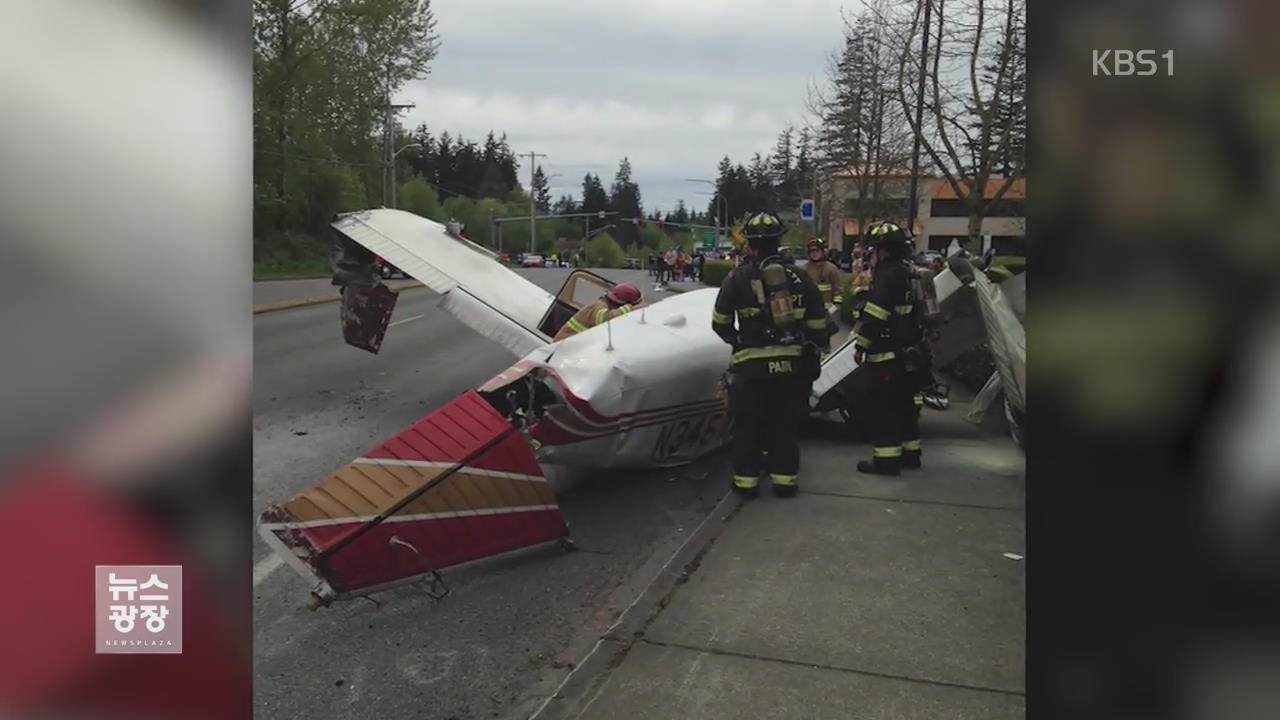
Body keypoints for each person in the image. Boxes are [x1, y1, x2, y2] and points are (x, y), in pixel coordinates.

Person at [712, 212, 828, 498]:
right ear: (778, 242)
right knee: (784, 425)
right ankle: (785, 483)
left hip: (751, 371)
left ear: (749, 245)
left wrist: (738, 343)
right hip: (792, 369)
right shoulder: (800, 277)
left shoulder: (737, 277)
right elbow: (818, 324)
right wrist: (810, 346)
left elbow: (720, 321)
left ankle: (746, 484)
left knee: (748, 426)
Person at [851, 221, 926, 475]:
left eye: (873, 251)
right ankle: (911, 453)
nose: (871, 256)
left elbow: (876, 314)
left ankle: (886, 461)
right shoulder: (911, 271)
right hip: (911, 353)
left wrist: (861, 344)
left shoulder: (887, 274)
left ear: (884, 250)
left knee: (884, 409)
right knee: (906, 406)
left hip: (887, 354)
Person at [554, 283, 643, 341]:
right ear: (622, 304)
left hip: (572, 347)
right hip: (561, 349)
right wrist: (631, 308)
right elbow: (607, 319)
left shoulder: (602, 306)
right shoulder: (597, 306)